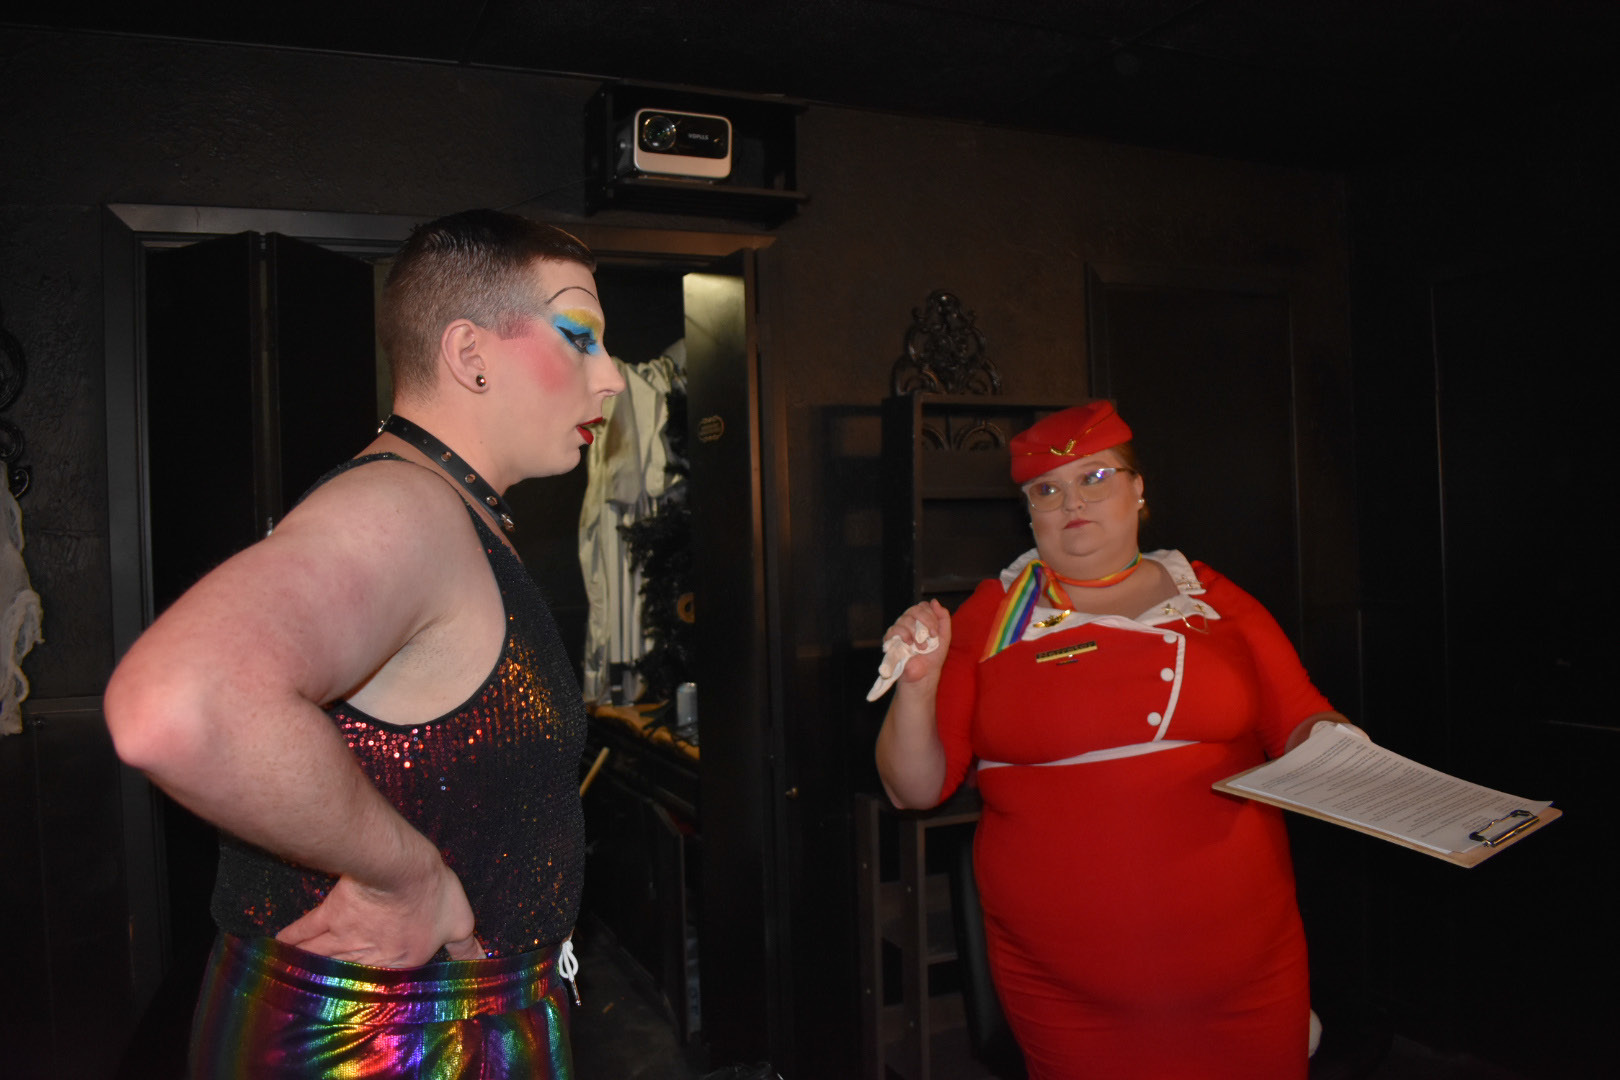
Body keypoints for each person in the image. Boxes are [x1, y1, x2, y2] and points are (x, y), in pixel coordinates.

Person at [103, 208, 626, 1079]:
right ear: (469, 354)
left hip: (454, 1028)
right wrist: (405, 876)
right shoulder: (406, 507)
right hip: (386, 1046)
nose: (610, 380)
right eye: (580, 337)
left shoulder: (453, 513)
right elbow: (178, 701)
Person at [874, 400, 1361, 1080]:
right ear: (1029, 514)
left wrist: (1349, 752)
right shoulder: (995, 614)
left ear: (1138, 489)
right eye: (1047, 490)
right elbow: (914, 788)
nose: (1072, 501)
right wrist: (917, 687)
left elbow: (1303, 720)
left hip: (1250, 974)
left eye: (1095, 477)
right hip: (1069, 996)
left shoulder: (1213, 597)